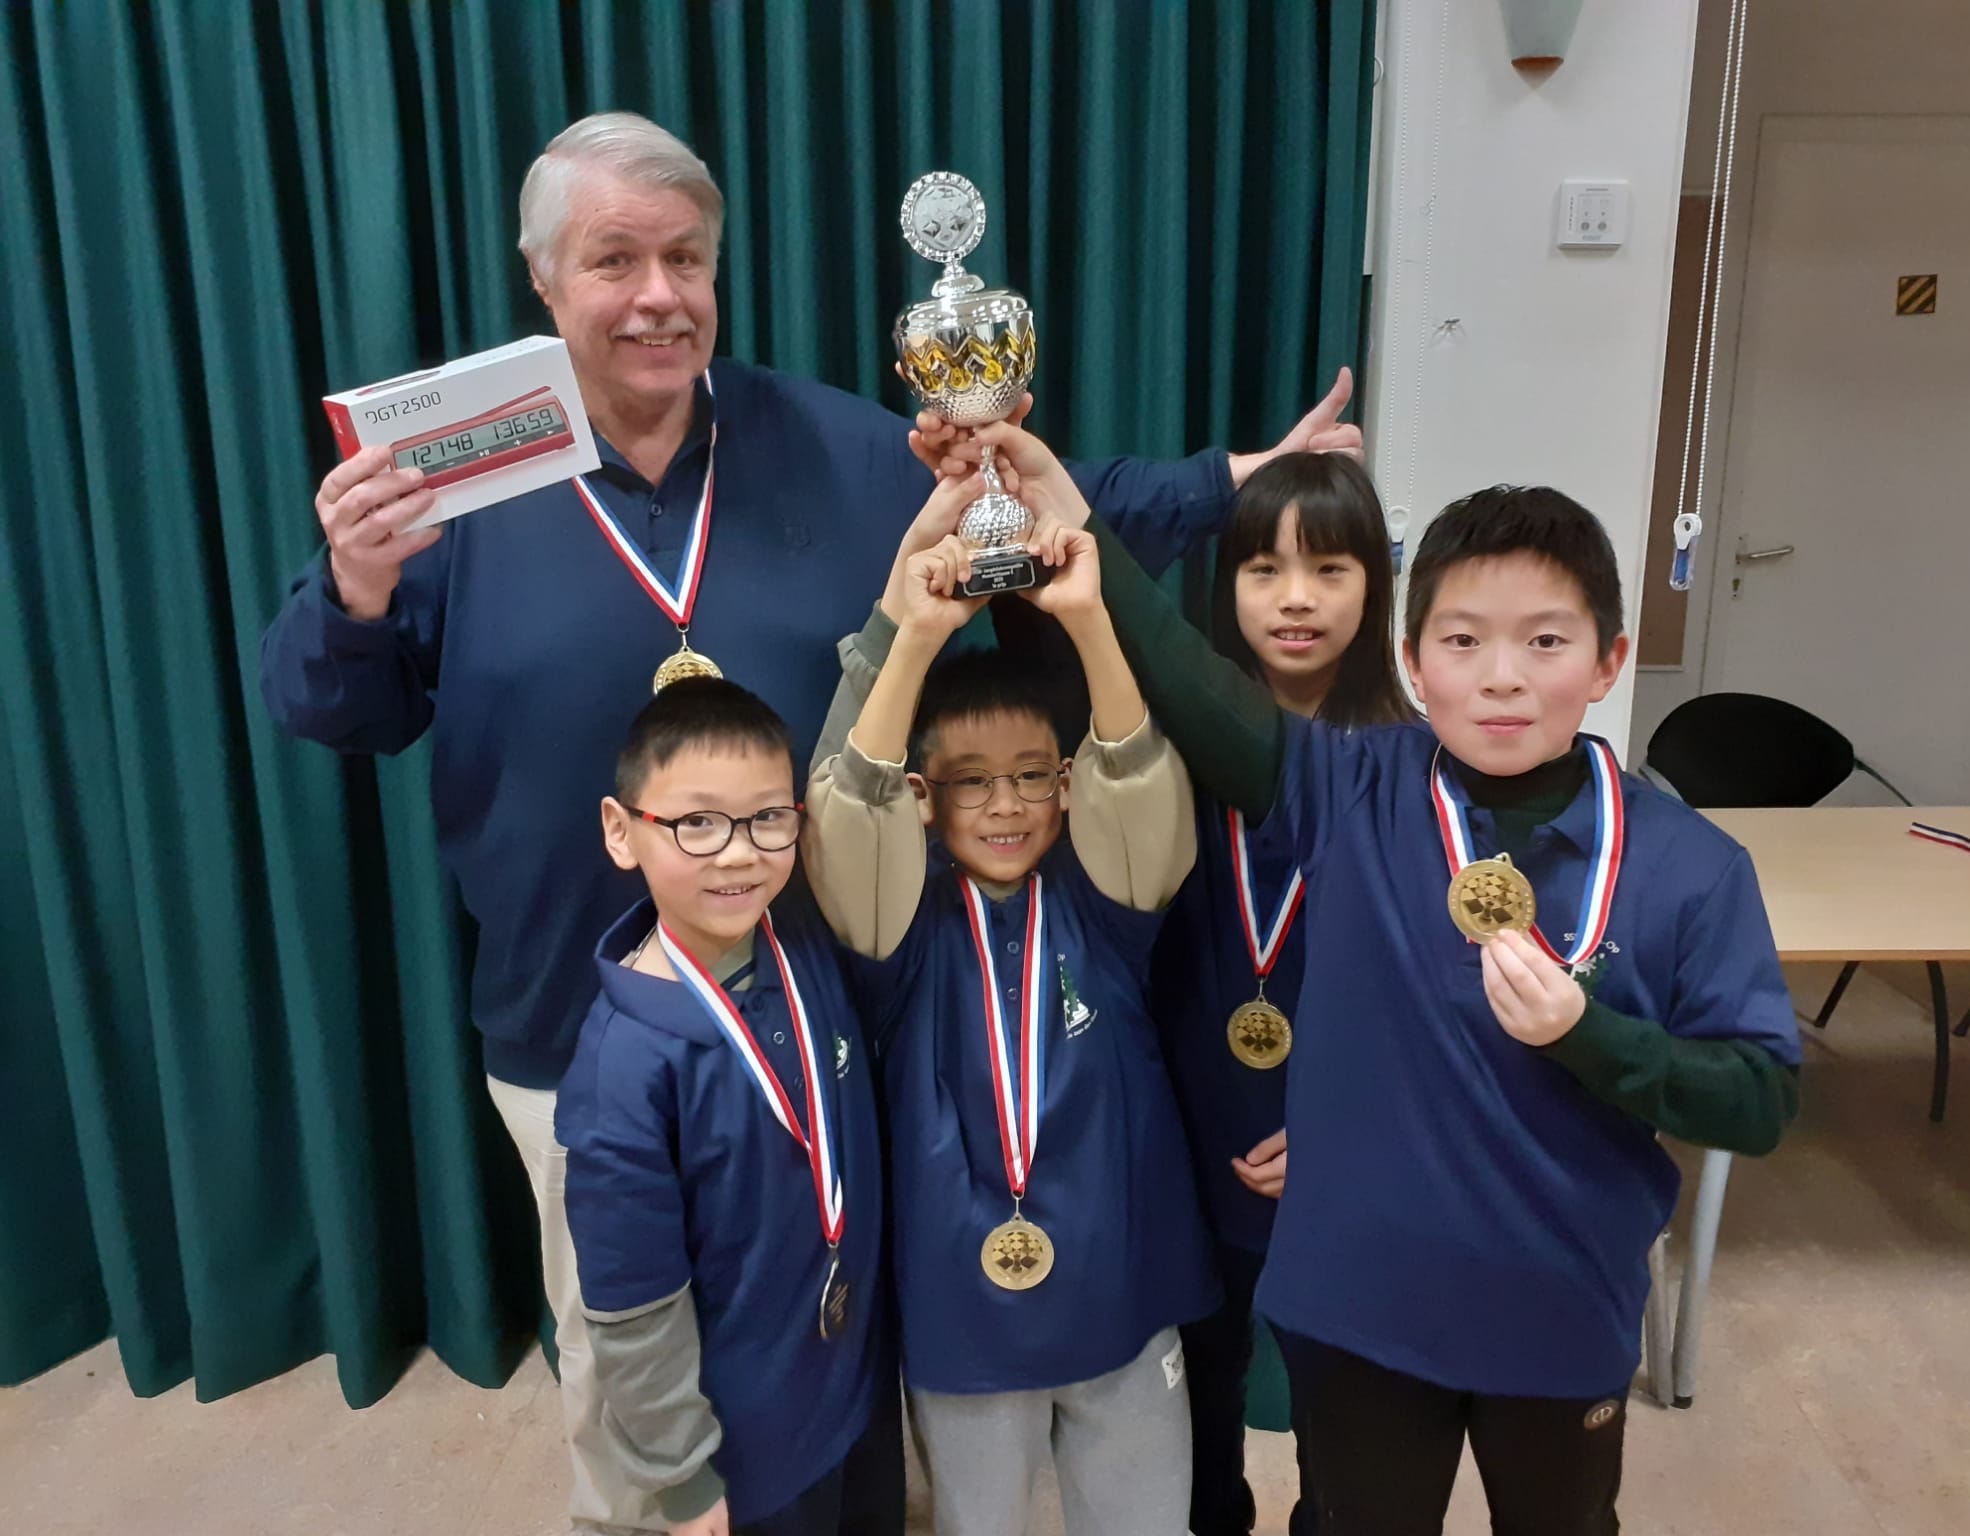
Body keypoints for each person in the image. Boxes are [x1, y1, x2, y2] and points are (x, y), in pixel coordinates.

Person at [255, 109, 1360, 1535]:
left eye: (687, 259)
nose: (658, 294)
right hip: (572, 1024)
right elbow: (332, 711)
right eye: (615, 261)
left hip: (830, 1006)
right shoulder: (459, 485)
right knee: (627, 1369)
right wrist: (350, 591)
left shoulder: (829, 444)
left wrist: (1231, 481)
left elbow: (1019, 504)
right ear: (545, 282)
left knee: (844, 1350)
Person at [977, 422, 1802, 1536]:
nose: (1501, 677)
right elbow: (1189, 676)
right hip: (1357, 1309)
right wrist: (1068, 519)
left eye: (1545, 642)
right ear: (1416, 660)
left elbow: (1755, 1102)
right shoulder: (1348, 786)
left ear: (1608, 660)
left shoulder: (1691, 869)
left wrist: (1588, 1034)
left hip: (1557, 1310)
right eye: (1461, 641)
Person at [801, 484, 1216, 1536]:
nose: (1002, 804)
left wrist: (1084, 618)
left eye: (1030, 777)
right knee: (973, 1522)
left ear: (1065, 786)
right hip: (959, 1301)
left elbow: (1141, 780)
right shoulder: (899, 921)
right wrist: (913, 636)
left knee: (1145, 1520)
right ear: (925, 799)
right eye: (969, 782)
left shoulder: (1104, 900)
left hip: (1120, 1285)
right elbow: (847, 819)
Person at [556, 676, 895, 1536]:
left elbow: (850, 757)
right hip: (745, 1449)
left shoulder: (802, 944)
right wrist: (683, 1481)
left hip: (854, 1390)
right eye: (698, 823)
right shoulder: (620, 1070)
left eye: (768, 819)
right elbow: (634, 1312)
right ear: (621, 831)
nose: (740, 853)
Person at [1149, 453, 1414, 1536]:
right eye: (1262, 568)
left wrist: (1346, 1128)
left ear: (1376, 587)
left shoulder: (1411, 764)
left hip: (1344, 1144)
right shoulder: (1172, 741)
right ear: (1224, 587)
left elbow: (1425, 993)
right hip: (1192, 1128)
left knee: (1340, 1415)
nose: (1295, 598)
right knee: (1196, 1402)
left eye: (1329, 567)